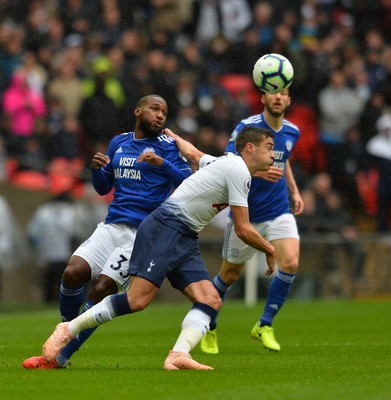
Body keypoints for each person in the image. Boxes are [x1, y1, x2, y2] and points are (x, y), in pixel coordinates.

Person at [28, 126, 276, 371]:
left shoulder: (224, 162)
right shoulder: (238, 171)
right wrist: (269, 249)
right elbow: (242, 228)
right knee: (137, 301)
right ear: (250, 148)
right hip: (164, 226)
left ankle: (178, 354)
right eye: (269, 147)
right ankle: (68, 329)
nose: (273, 155)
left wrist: (175, 137)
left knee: (210, 299)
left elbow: (192, 154)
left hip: (186, 235)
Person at [22, 94, 192, 369]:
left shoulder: (168, 147)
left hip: (142, 234)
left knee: (101, 289)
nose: (161, 115)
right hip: (111, 225)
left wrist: (164, 165)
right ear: (138, 111)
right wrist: (97, 170)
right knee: (72, 273)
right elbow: (104, 188)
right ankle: (66, 330)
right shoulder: (119, 142)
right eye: (155, 109)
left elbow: (189, 183)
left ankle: (59, 357)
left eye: (165, 111)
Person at [200, 88, 304, 354]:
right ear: (263, 98)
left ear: (289, 100)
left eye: (283, 93)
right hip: (245, 212)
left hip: (279, 210)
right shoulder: (247, 127)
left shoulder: (292, 131)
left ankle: (264, 325)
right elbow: (228, 161)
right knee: (229, 275)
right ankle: (208, 326)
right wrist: (258, 173)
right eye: (273, 93)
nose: (278, 97)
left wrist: (293, 190)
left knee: (290, 262)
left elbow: (285, 160)